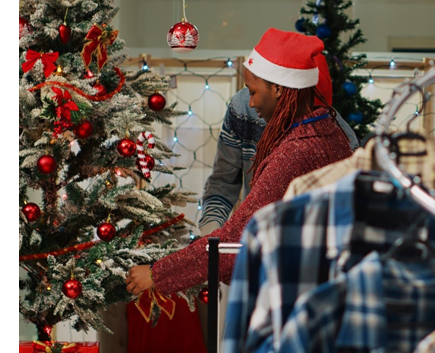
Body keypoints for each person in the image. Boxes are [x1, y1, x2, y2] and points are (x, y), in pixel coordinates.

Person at [126, 29, 355, 295]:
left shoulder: (295, 153)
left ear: (279, 88)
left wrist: (157, 273)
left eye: (254, 91)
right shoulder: (329, 130)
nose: (252, 102)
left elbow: (235, 242)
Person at [198, 54, 358, 235]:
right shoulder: (244, 107)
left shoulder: (332, 133)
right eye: (250, 92)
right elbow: (223, 181)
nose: (252, 102)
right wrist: (210, 235)